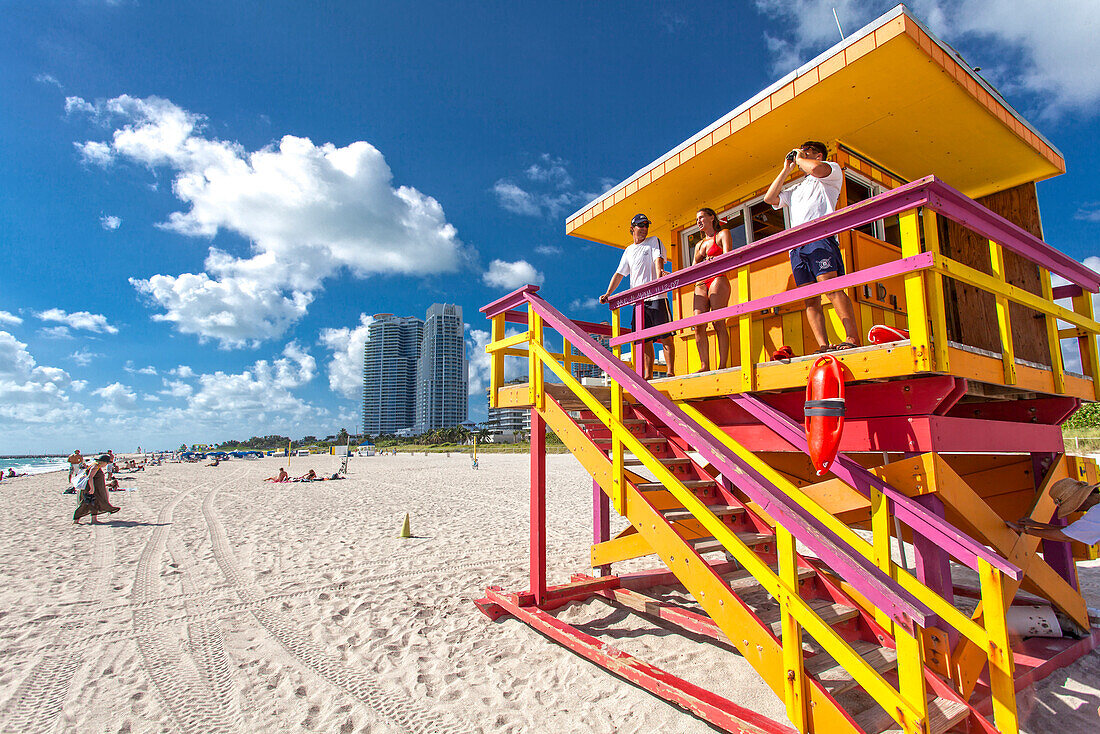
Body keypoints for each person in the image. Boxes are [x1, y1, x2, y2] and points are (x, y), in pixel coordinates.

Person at [763, 141, 860, 353]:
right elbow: (769, 198)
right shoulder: (796, 188)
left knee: (831, 288)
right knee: (810, 299)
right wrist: (786, 169)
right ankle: (823, 344)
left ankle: (851, 336)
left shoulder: (831, 170)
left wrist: (799, 158)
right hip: (797, 246)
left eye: (807, 153)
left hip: (820, 237)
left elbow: (815, 169)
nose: (801, 157)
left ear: (818, 155)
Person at [598, 213, 676, 379]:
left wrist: (659, 277)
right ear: (632, 229)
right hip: (638, 302)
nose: (644, 229)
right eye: (641, 225)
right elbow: (619, 273)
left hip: (657, 297)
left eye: (646, 225)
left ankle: (670, 371)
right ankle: (648, 374)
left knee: (666, 335)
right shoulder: (628, 250)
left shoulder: (654, 241)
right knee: (644, 339)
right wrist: (608, 293)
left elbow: (658, 259)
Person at [690, 207, 733, 372]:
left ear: (712, 218)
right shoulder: (698, 244)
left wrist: (717, 258)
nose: (699, 221)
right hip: (701, 282)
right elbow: (693, 269)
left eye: (701, 217)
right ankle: (704, 365)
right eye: (696, 220)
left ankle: (722, 365)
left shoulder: (723, 234)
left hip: (718, 277)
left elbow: (729, 256)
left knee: (718, 322)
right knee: (698, 325)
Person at [1008, 478, 1100, 544]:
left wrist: (1024, 530)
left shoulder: (1096, 512)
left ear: (1081, 501)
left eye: (1074, 507)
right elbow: (1070, 531)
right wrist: (1037, 524)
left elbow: (1066, 536)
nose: (1076, 511)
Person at [73, 454, 120, 524]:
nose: (106, 464)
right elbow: (90, 477)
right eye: (106, 463)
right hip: (92, 488)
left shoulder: (96, 466)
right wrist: (92, 488)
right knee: (85, 503)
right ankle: (76, 520)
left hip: (96, 489)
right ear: (103, 462)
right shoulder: (95, 466)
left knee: (95, 503)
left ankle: (94, 519)